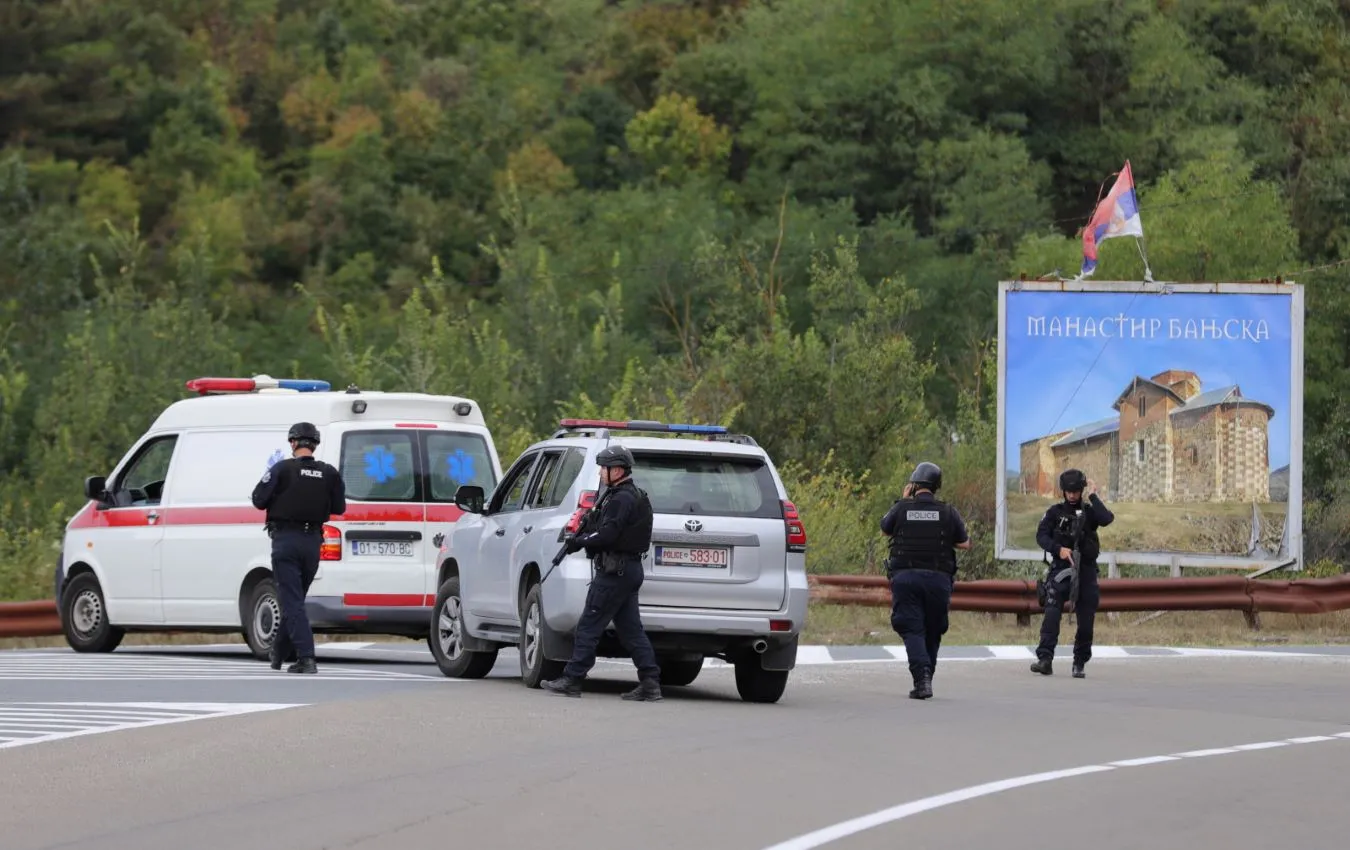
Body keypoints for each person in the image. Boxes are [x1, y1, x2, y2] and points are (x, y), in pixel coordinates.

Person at [541, 445, 662, 701]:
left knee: (588, 626)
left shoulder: (621, 498)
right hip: (627, 571)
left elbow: (608, 534)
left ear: (616, 469)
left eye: (604, 468)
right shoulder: (631, 494)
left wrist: (581, 541)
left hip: (614, 572)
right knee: (631, 631)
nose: (601, 472)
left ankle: (572, 679)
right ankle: (651, 682)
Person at [251, 422, 346, 674]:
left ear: (293, 443)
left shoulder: (282, 469)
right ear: (314, 444)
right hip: (313, 542)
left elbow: (258, 500)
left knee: (292, 602)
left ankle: (306, 657)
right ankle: (278, 654)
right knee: (295, 600)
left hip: (286, 541)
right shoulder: (329, 473)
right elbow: (339, 508)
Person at [880, 461, 971, 700]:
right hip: (938, 581)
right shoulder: (948, 511)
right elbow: (965, 543)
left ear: (913, 485)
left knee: (912, 628)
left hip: (906, 579)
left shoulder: (901, 508)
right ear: (936, 487)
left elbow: (885, 529)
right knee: (932, 630)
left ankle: (922, 680)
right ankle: (927, 675)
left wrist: (902, 500)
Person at [1031, 468, 1114, 679]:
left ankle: (1079, 662)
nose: (1072, 495)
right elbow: (1041, 536)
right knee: (1051, 614)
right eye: (1068, 491)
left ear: (1081, 490)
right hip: (1061, 570)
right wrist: (1058, 549)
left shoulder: (1088, 512)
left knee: (1086, 621)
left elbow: (1107, 518)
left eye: (1076, 491)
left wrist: (1094, 496)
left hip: (1085, 571)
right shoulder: (1054, 512)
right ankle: (1045, 659)